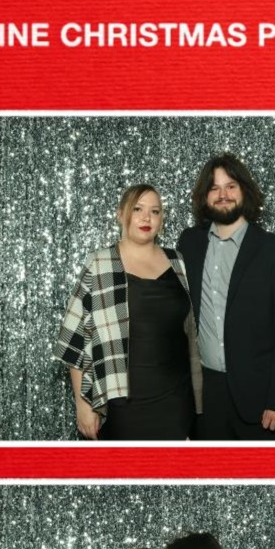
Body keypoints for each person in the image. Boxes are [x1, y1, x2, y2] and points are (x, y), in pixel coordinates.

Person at [55, 184, 202, 441]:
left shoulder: (177, 261)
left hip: (176, 396)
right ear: (120, 214)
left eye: (155, 211)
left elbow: (189, 331)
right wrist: (82, 404)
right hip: (122, 400)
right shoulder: (100, 263)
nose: (147, 217)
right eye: (138, 209)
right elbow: (75, 338)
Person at [178, 153, 275, 442]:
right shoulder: (190, 243)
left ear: (244, 191)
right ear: (205, 196)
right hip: (204, 398)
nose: (223, 195)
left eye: (230, 186)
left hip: (260, 400)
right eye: (214, 188)